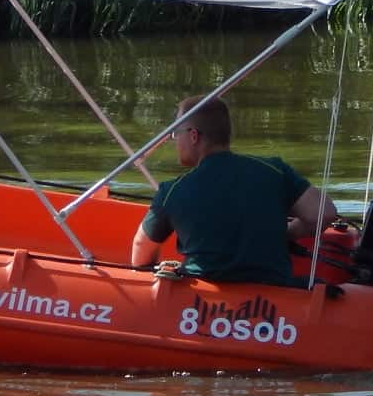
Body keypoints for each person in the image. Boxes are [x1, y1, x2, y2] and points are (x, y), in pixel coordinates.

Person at [130, 94, 336, 285]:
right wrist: (285, 234)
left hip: (201, 306)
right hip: (275, 304)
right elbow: (324, 213)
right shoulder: (274, 170)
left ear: (193, 136)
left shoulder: (172, 190)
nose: (175, 140)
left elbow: (140, 251)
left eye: (176, 133)